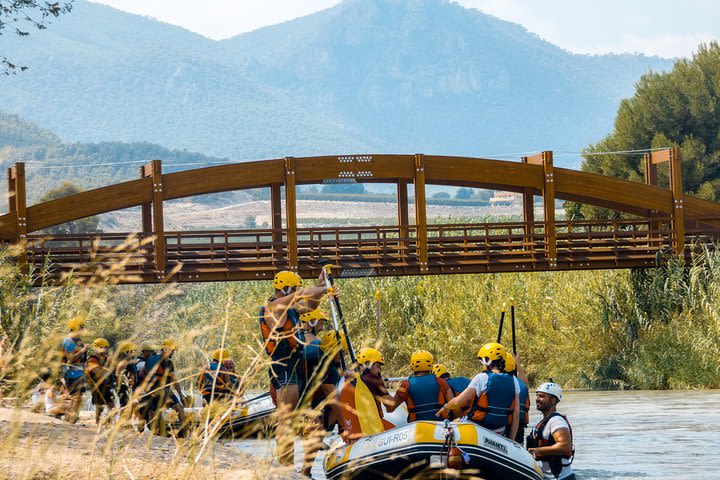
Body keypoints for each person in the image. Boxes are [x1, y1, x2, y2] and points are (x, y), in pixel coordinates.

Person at [259, 270, 337, 466]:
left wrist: (320, 287)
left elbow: (310, 305)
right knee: (286, 418)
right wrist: (324, 288)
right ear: (286, 289)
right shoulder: (275, 307)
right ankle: (285, 465)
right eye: (293, 289)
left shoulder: (290, 309)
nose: (295, 291)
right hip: (284, 367)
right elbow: (302, 294)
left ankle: (295, 465)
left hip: (294, 364)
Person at [436, 342, 520, 440]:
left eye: (482, 360)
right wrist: (511, 440)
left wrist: (445, 408)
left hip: (478, 426)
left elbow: (457, 402)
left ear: (488, 361)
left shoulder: (482, 378)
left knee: (449, 425)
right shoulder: (514, 381)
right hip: (500, 429)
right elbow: (516, 414)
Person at [339, 347, 394, 443]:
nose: (380, 370)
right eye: (378, 366)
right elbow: (391, 406)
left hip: (351, 435)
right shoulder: (372, 379)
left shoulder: (349, 381)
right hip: (370, 432)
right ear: (367, 364)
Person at [388, 350, 455, 422]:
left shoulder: (405, 385)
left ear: (412, 365)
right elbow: (454, 406)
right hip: (439, 424)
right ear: (431, 364)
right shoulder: (441, 382)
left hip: (416, 426)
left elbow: (390, 409)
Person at [526, 382, 575, 480]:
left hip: (561, 478)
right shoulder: (544, 422)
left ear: (553, 400)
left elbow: (565, 447)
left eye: (542, 396)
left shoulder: (556, 421)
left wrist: (537, 450)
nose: (537, 399)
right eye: (537, 395)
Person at [143, 339, 186, 435]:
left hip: (152, 390)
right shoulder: (168, 363)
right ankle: (185, 433)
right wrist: (181, 395)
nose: (173, 353)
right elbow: (174, 380)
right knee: (180, 409)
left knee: (156, 413)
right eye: (172, 351)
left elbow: (143, 373)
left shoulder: (150, 358)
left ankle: (156, 434)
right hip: (165, 390)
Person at [60, 317, 90, 424]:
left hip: (79, 371)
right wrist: (84, 350)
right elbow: (70, 358)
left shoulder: (77, 339)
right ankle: (69, 419)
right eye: (81, 327)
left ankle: (73, 418)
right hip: (71, 372)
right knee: (75, 397)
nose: (82, 329)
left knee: (79, 397)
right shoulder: (69, 341)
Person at [85, 337, 116, 425]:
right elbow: (99, 374)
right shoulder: (92, 360)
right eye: (105, 347)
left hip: (107, 386)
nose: (107, 349)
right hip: (97, 387)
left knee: (113, 408)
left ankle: (107, 423)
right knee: (100, 409)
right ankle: (99, 425)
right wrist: (107, 364)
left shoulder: (106, 358)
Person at [504, 351, 531, 444]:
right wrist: (518, 364)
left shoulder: (497, 382)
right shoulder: (520, 384)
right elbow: (526, 385)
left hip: (502, 428)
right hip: (518, 431)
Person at [115, 341, 138, 412]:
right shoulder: (124, 361)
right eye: (132, 351)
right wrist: (127, 381)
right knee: (128, 405)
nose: (134, 352)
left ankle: (126, 421)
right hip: (123, 387)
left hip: (129, 386)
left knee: (131, 405)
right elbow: (118, 374)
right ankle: (122, 421)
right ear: (126, 351)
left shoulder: (130, 360)